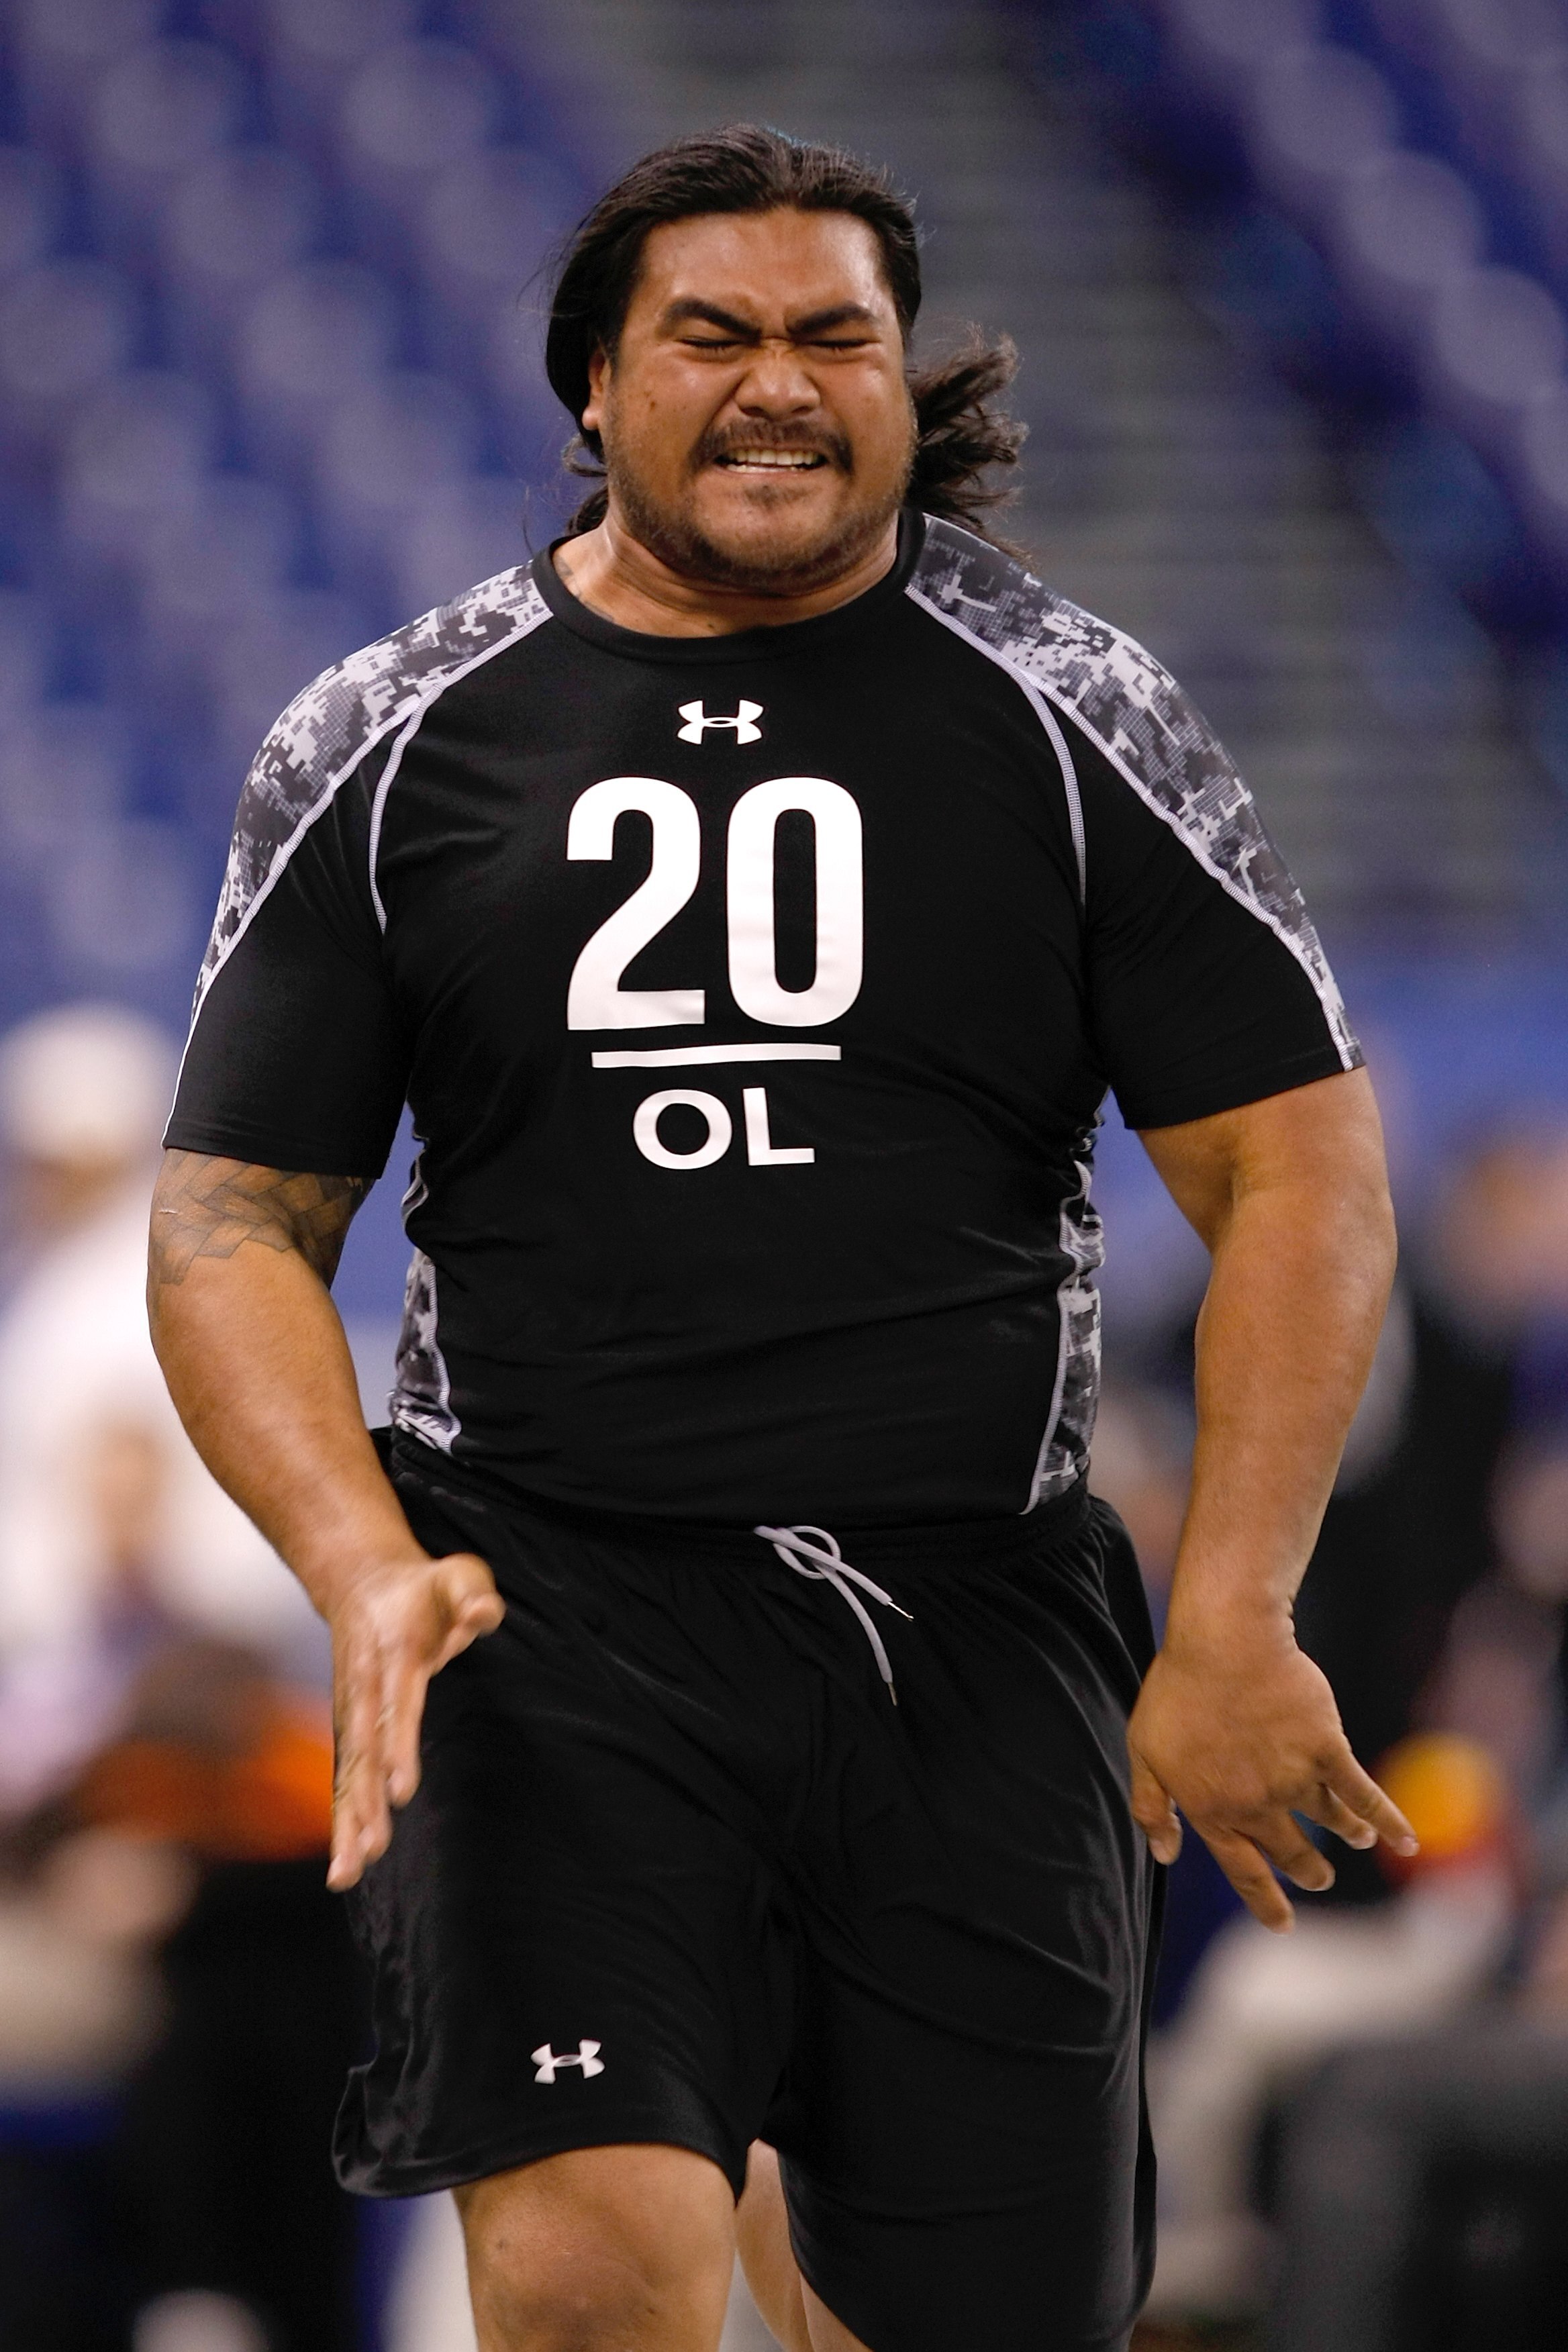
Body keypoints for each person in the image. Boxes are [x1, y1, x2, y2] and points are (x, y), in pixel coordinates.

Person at [147, 127, 1414, 2352]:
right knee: (588, 2264)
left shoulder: (1074, 713)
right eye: (711, 335)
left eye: (839, 335)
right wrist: (363, 1569)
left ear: (907, 386)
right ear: (596, 397)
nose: (782, 381)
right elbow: (237, 1220)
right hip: (552, 1614)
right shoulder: (390, 736)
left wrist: (1233, 1613)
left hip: (977, 1621)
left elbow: (1295, 1166)